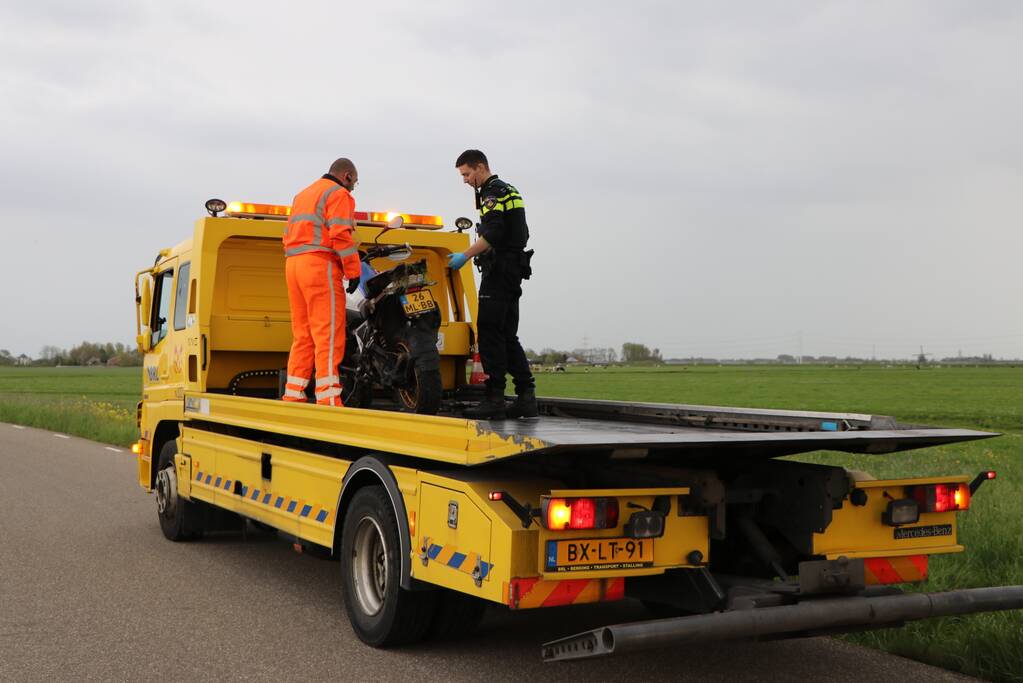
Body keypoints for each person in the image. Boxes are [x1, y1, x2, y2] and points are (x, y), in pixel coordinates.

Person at [449, 149, 536, 419]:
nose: (464, 180)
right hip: (514, 269)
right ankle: (526, 396)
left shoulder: (491, 192)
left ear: (480, 168)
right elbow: (521, 231)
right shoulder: (510, 190)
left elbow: (494, 232)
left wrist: (465, 255)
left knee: (487, 330)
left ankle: (495, 397)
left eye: (466, 174)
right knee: (507, 334)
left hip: (499, 269)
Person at [281, 158, 362, 406]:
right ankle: (328, 397)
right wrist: (353, 270)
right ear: (346, 176)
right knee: (327, 332)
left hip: (293, 265)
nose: (352, 188)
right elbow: (340, 235)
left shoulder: (303, 194)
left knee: (303, 333)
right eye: (354, 183)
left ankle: (294, 394)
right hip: (319, 265)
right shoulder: (338, 194)